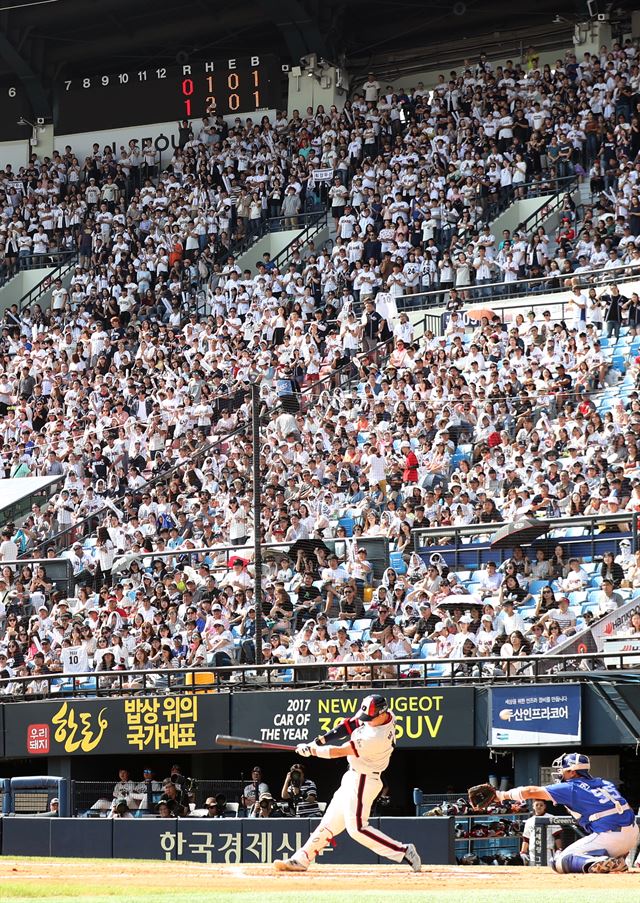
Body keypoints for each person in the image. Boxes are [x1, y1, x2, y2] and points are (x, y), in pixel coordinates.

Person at [274, 694, 421, 872]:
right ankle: (302, 858)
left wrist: (312, 750)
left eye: (370, 718)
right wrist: (317, 742)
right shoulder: (384, 715)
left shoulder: (376, 738)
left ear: (381, 714)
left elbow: (339, 751)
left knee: (357, 828)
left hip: (365, 780)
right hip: (353, 776)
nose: (366, 720)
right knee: (330, 822)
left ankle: (404, 850)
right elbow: (349, 725)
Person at [496, 752, 638, 873]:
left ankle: (602, 861)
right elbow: (627, 811)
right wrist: (623, 848)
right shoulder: (605, 783)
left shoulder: (570, 787)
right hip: (632, 833)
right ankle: (617, 862)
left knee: (559, 861)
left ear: (572, 772)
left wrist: (500, 795)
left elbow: (530, 791)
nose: (560, 772)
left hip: (610, 836)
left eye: (563, 769)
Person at [520, 799, 561, 865]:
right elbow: (526, 838)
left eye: (541, 805)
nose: (539, 807)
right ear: (533, 806)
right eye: (537, 805)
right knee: (535, 872)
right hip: (533, 851)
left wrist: (559, 849)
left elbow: (557, 835)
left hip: (547, 851)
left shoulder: (551, 817)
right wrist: (523, 851)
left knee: (548, 872)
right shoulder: (529, 821)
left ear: (545, 806)